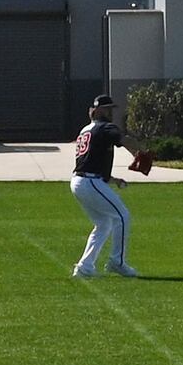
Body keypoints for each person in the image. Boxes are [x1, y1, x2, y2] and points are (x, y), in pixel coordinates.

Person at [67, 93, 142, 279]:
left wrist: (114, 179)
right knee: (122, 216)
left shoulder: (86, 130)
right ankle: (118, 262)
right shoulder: (105, 127)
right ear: (98, 110)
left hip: (80, 181)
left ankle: (84, 267)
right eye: (107, 109)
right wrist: (140, 152)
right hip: (89, 181)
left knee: (103, 224)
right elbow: (123, 139)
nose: (110, 112)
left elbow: (91, 163)